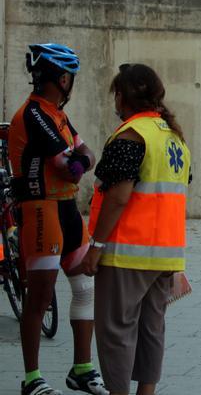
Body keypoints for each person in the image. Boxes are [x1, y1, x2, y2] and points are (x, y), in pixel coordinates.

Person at [80, 63, 190, 395]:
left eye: (116, 93)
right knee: (151, 329)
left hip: (127, 252)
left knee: (115, 332)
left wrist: (96, 247)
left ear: (123, 96)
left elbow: (117, 197)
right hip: (165, 256)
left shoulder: (131, 135)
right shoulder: (174, 139)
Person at [8, 43, 108, 395]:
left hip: (66, 209)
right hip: (41, 208)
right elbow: (67, 168)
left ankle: (81, 369)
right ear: (62, 78)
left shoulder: (58, 114)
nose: (72, 83)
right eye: (71, 77)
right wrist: (78, 162)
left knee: (85, 287)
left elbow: (86, 155)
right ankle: (32, 378)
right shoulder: (34, 114)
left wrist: (79, 162)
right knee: (39, 296)